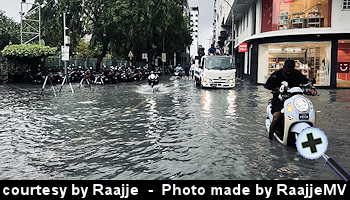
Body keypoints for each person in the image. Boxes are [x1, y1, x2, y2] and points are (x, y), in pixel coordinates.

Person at [264, 59, 316, 140]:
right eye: (287, 68)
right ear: (284, 67)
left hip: (295, 99)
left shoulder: (297, 73)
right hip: (279, 99)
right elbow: (267, 85)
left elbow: (305, 81)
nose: (289, 70)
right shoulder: (277, 74)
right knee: (277, 117)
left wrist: (311, 87)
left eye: (291, 68)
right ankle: (270, 138)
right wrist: (277, 89)